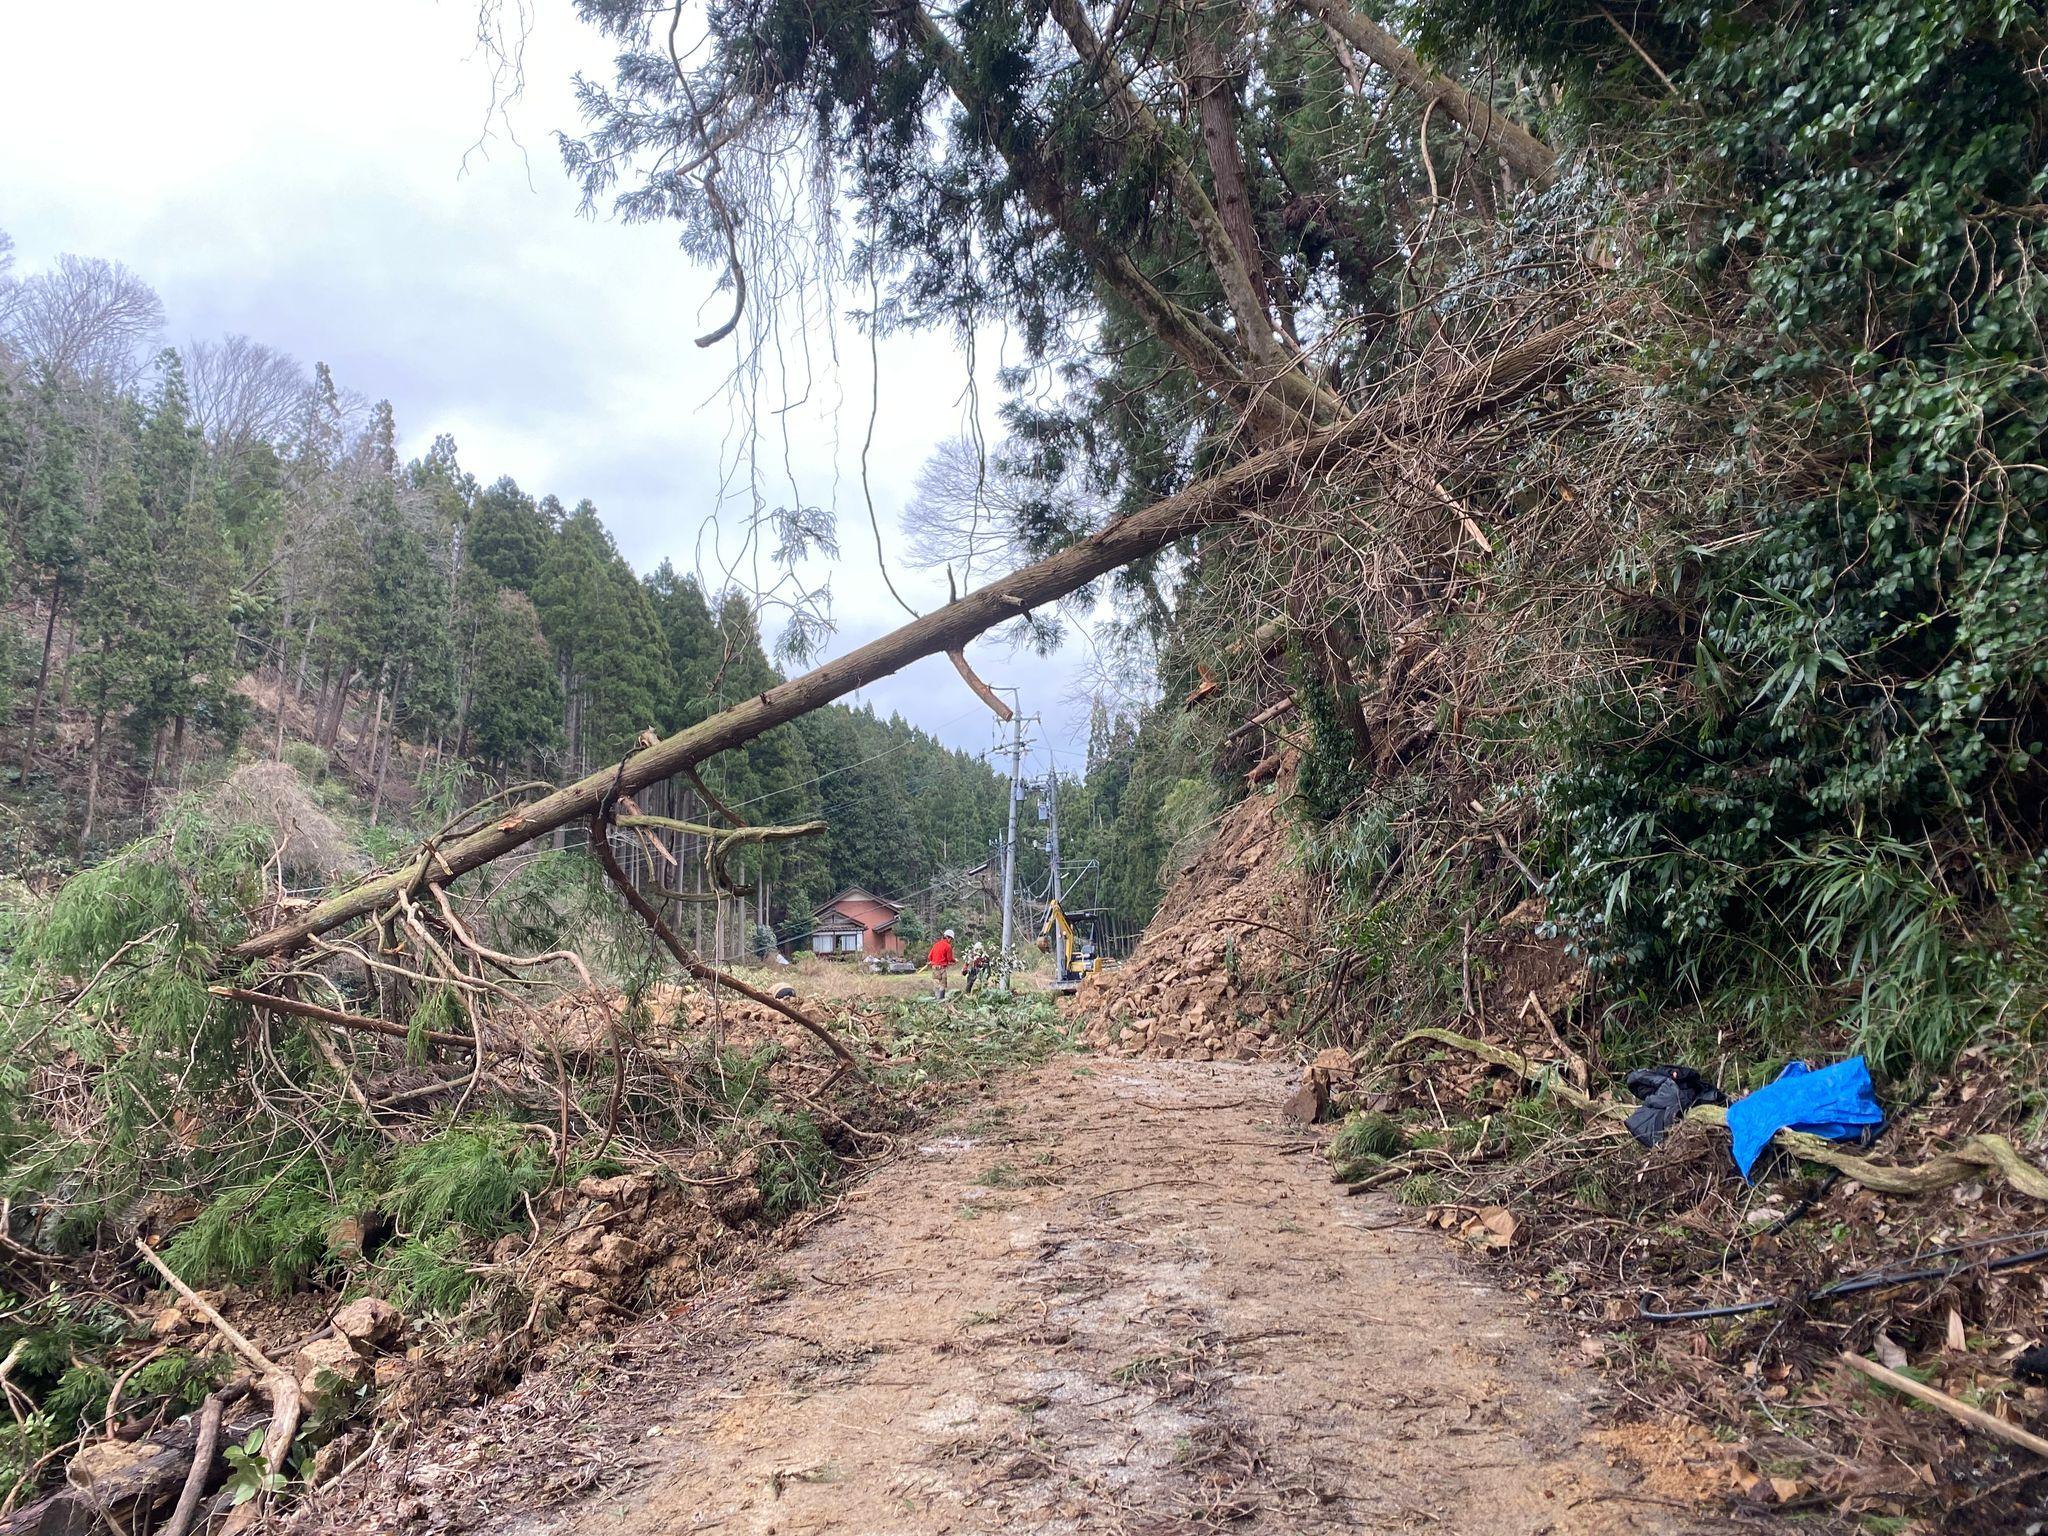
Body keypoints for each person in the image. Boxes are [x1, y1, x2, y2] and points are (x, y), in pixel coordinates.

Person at [926, 928, 956, 997]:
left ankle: (936, 999)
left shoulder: (936, 945)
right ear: (948, 938)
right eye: (951, 939)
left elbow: (929, 957)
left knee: (936, 984)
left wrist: (934, 960)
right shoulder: (948, 946)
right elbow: (950, 959)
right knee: (942, 985)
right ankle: (941, 1000)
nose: (951, 941)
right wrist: (954, 961)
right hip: (942, 968)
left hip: (934, 968)